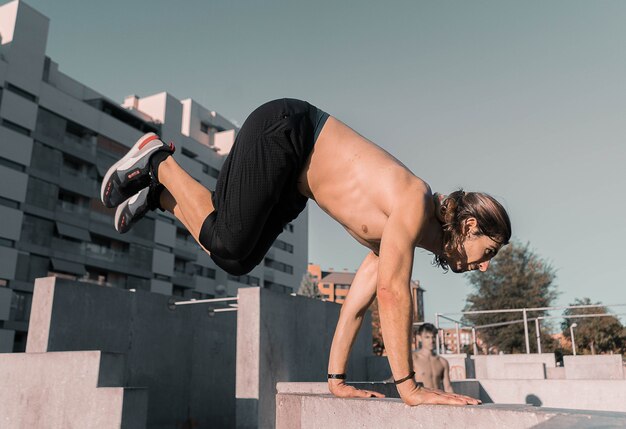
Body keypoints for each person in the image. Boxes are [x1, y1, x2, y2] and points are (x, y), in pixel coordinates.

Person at [101, 98, 510, 406]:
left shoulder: (397, 241)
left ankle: (160, 196)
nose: (485, 265)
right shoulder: (414, 201)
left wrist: (337, 379)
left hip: (294, 180)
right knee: (228, 239)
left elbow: (356, 307)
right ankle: (157, 160)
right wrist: (410, 388)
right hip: (286, 131)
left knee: (236, 259)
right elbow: (392, 293)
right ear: (470, 226)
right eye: (487, 250)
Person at [412, 323, 454, 392]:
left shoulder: (442, 362)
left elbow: (448, 387)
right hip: (421, 400)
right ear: (419, 338)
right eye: (427, 337)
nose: (431, 341)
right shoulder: (413, 359)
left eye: (433, 337)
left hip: (438, 400)